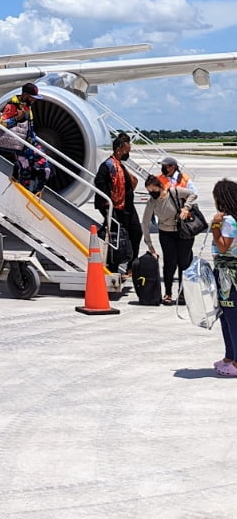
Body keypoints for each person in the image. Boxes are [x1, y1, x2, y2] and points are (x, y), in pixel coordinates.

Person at [142, 172, 199, 305]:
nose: (152, 194)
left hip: (183, 232)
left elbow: (193, 194)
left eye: (154, 190)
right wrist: (150, 245)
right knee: (169, 263)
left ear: (160, 186)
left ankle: (183, 293)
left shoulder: (174, 192)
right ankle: (168, 293)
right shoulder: (152, 202)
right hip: (166, 233)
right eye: (149, 192)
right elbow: (144, 223)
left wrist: (186, 207)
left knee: (183, 263)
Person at [94, 134, 141, 269]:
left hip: (127, 207)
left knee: (136, 233)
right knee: (117, 238)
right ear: (119, 149)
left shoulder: (120, 165)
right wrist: (108, 202)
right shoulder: (108, 165)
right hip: (116, 208)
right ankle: (113, 265)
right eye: (127, 151)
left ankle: (131, 265)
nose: (128, 153)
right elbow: (99, 182)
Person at [0, 84, 52, 196]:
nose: (34, 100)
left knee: (46, 169)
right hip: (20, 148)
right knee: (24, 176)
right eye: (32, 97)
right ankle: (22, 196)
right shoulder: (12, 106)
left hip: (32, 144)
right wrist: (17, 118)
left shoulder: (27, 105)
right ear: (25, 95)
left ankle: (36, 193)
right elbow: (1, 124)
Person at [209, 179, 237, 376]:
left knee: (232, 317)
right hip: (225, 273)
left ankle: (235, 362)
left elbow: (223, 246)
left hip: (229, 276)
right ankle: (230, 356)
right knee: (225, 317)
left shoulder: (228, 221)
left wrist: (215, 227)